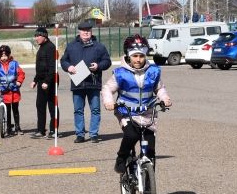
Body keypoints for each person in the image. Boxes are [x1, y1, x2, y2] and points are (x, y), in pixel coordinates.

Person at [101, 35, 172, 174]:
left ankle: (149, 188)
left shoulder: (153, 71)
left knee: (150, 150)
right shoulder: (120, 73)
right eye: (134, 56)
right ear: (128, 56)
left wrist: (165, 98)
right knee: (132, 136)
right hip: (126, 112)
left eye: (141, 56)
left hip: (147, 112)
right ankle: (121, 158)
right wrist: (109, 102)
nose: (138, 59)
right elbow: (107, 89)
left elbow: (159, 88)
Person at [60, 19, 111, 143]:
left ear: (91, 31)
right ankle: (80, 134)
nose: (86, 32)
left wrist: (98, 66)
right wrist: (68, 67)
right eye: (83, 30)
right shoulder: (71, 46)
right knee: (78, 110)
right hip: (77, 84)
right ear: (79, 31)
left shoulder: (99, 46)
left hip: (93, 83)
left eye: (88, 30)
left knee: (95, 110)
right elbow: (63, 60)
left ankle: (93, 134)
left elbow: (107, 61)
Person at [0, 44, 25, 136]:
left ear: (9, 55)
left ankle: (17, 127)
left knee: (15, 109)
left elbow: (21, 74)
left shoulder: (14, 64)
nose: (3, 58)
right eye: (2, 56)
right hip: (5, 91)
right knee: (7, 110)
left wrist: (19, 81)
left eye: (5, 55)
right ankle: (8, 128)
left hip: (14, 90)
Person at [31, 26, 56, 138]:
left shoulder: (50, 47)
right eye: (35, 36)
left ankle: (53, 130)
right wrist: (35, 80)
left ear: (44, 36)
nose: (36, 38)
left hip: (50, 81)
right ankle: (41, 130)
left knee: (52, 106)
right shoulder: (41, 48)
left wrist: (47, 81)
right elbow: (41, 67)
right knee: (40, 105)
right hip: (41, 81)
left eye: (38, 36)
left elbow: (52, 67)